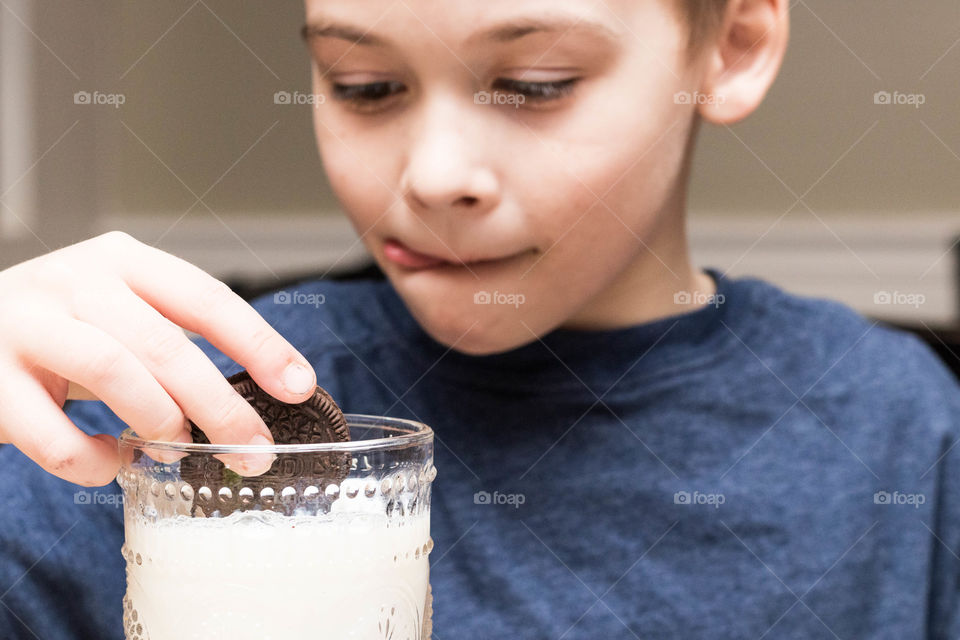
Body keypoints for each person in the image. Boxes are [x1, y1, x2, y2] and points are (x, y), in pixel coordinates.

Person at [1, 0, 958, 637]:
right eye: (362, 86)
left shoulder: (902, 427)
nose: (435, 176)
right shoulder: (160, 421)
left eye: (536, 84)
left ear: (734, 46)